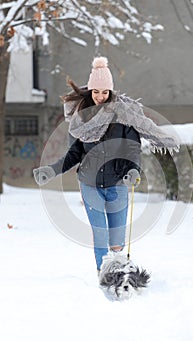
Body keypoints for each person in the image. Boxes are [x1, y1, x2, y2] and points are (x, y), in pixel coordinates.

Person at [33, 56, 179, 273]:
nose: (100, 97)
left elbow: (132, 149)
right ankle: (105, 274)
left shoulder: (124, 116)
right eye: (96, 92)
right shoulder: (82, 121)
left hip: (118, 183)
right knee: (100, 233)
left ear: (111, 92)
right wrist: (51, 169)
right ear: (90, 91)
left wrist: (132, 170)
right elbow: (74, 154)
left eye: (104, 92)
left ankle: (119, 270)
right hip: (89, 184)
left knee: (117, 239)